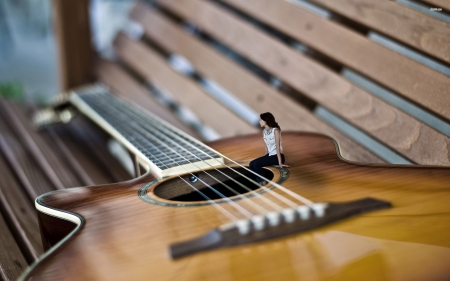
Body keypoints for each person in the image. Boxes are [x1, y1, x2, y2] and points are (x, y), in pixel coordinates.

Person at [249, 112, 289, 186]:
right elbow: (266, 147)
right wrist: (264, 158)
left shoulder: (275, 131)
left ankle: (264, 184)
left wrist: (280, 163)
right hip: (270, 155)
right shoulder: (264, 132)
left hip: (277, 156)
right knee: (251, 164)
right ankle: (260, 182)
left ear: (266, 121)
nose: (259, 121)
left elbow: (277, 147)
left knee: (256, 164)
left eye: (261, 120)